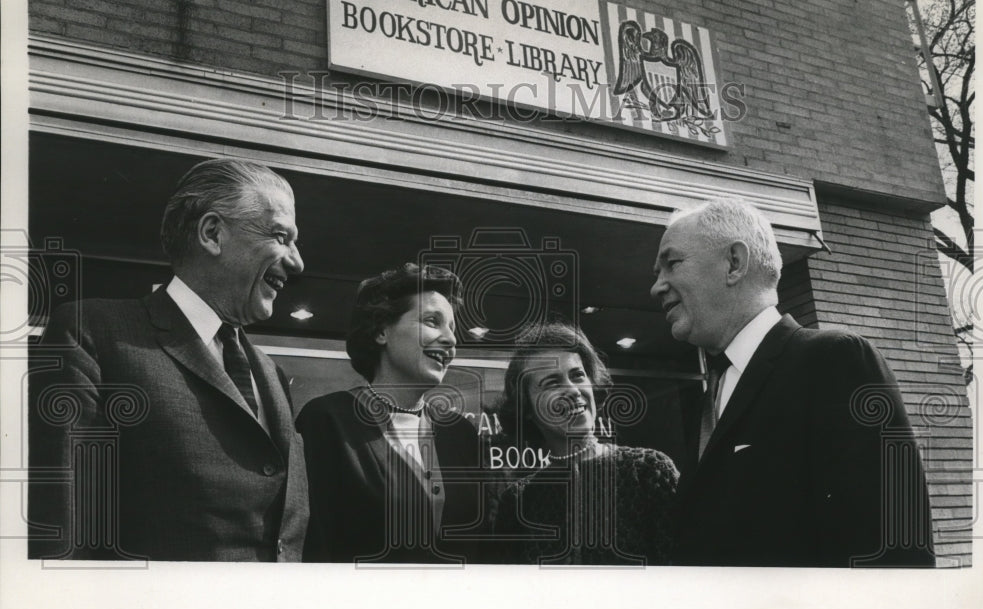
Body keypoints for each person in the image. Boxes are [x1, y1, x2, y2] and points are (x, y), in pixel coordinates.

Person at [28, 158, 308, 561]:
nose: (297, 262)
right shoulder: (93, 333)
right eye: (281, 236)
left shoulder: (271, 373)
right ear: (212, 233)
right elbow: (62, 533)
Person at [650, 197, 936, 567]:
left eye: (671, 264)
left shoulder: (835, 360)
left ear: (734, 263)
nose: (657, 287)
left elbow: (893, 552)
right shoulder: (711, 395)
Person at [296, 263, 490, 564]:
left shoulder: (460, 433)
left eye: (452, 327)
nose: (451, 339)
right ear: (381, 330)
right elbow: (316, 547)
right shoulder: (328, 420)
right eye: (432, 321)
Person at [491, 323, 680, 565]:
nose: (573, 390)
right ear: (526, 407)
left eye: (577, 375)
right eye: (552, 383)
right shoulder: (518, 502)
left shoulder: (648, 471)